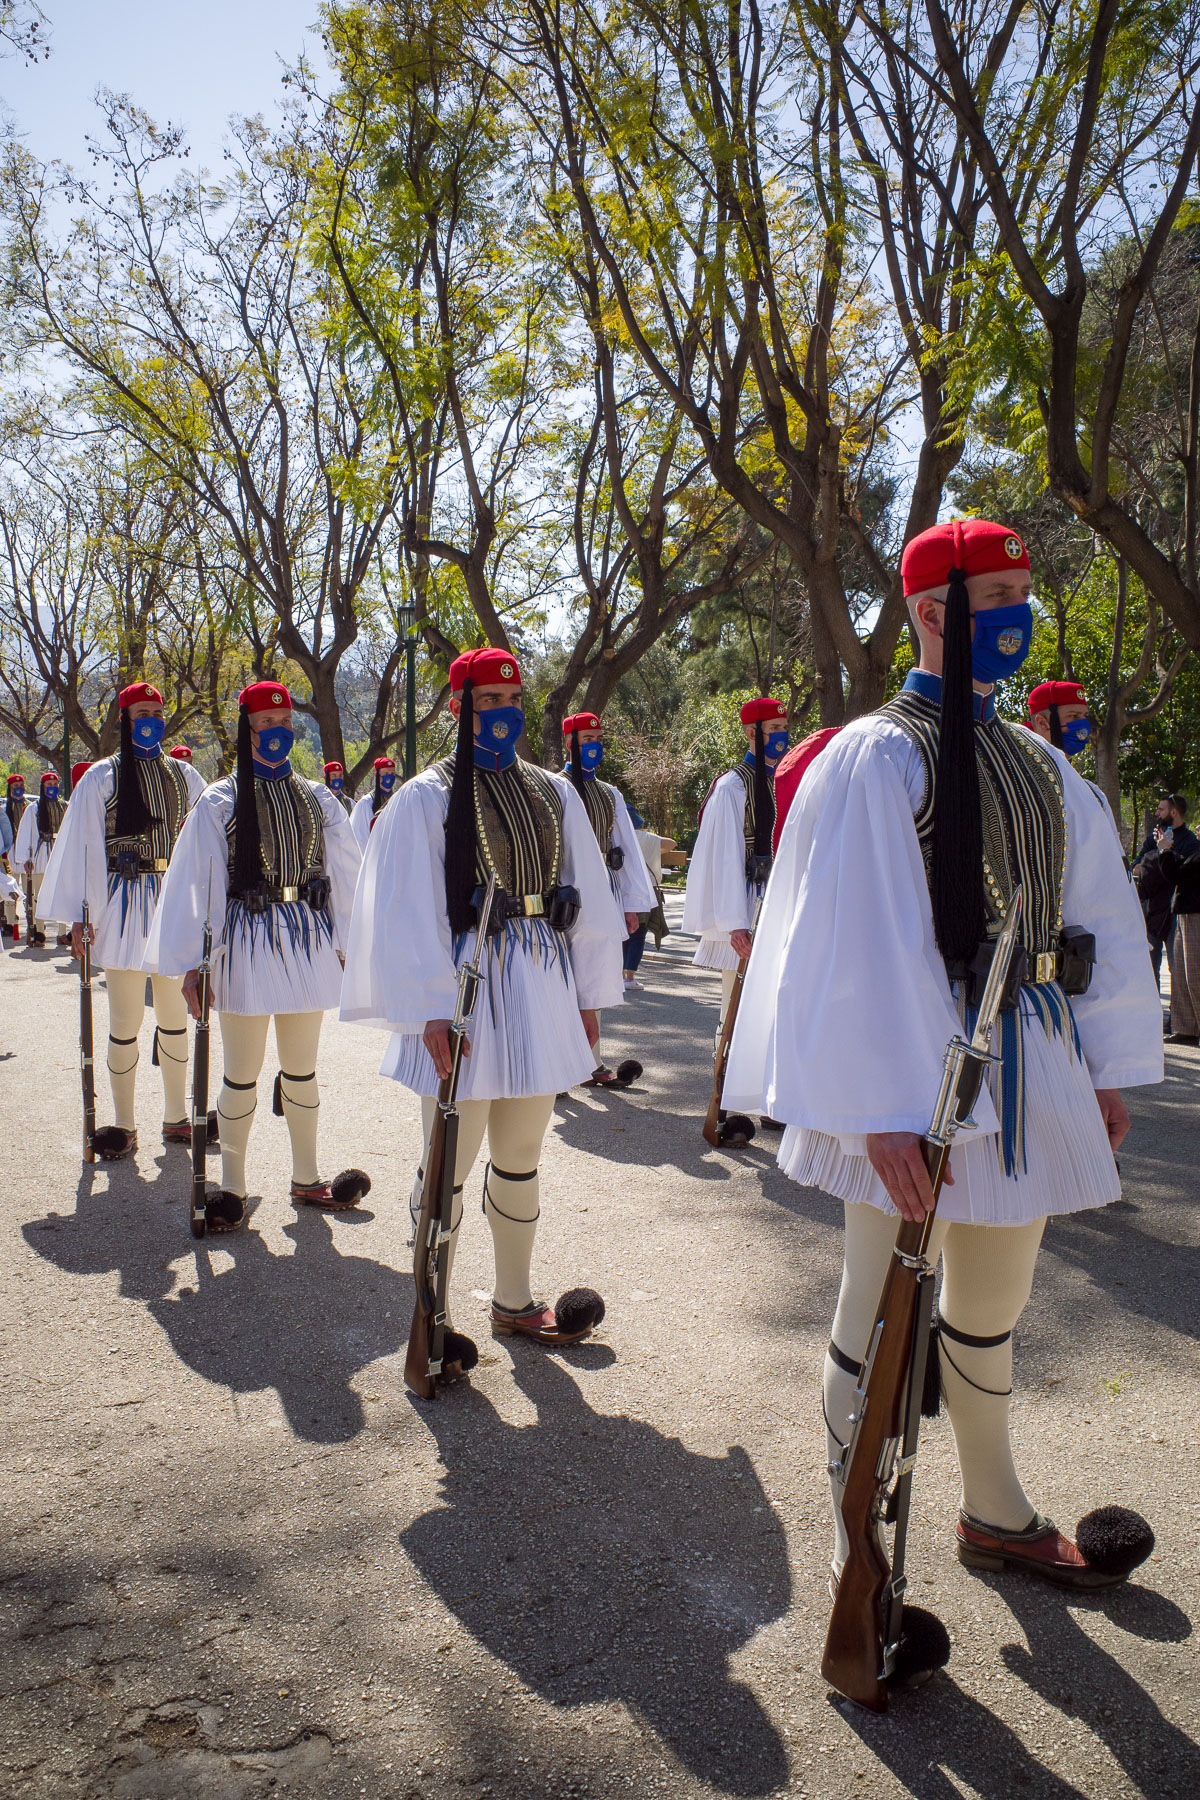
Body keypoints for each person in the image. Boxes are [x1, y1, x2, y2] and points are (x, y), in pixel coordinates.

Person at [727, 518, 1162, 1599]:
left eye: (1025, 589)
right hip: (913, 1078)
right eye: (999, 594)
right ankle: (853, 1550)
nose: (1019, 612)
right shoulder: (876, 757)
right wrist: (880, 1106)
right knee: (875, 1312)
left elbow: (1092, 918)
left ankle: (995, 1510)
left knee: (988, 1315)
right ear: (933, 614)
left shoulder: (1044, 770)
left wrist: (1102, 1069)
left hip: (1032, 1067)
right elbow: (854, 947)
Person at [340, 647, 624, 1350]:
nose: (503, 714)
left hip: (540, 982)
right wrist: (429, 1009)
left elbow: (586, 897)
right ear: (455, 709)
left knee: (523, 1152)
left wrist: (587, 997)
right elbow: (408, 914)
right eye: (488, 703)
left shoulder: (553, 793)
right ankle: (430, 1314)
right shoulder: (425, 799)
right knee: (449, 1162)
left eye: (512, 701)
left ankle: (514, 1301)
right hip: (464, 990)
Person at [145, 680, 369, 1232]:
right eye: (266, 725)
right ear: (247, 731)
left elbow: (347, 876)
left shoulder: (318, 799)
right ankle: (233, 1187)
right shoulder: (219, 801)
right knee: (242, 1074)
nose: (277, 734)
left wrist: (347, 944)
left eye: (284, 724)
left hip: (307, 940)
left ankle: (306, 1175)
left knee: (303, 1070)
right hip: (244, 941)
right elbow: (198, 884)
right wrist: (197, 964)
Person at [38, 688, 208, 1159]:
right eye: (142, 714)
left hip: (170, 900)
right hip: (122, 901)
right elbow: (84, 850)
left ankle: (176, 1117)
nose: (151, 720)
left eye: (157, 713)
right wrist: (79, 915)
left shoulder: (186, 776)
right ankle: (124, 1123)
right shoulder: (100, 778)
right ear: (125, 720)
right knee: (126, 1019)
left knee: (175, 1018)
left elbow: (205, 845)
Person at [682, 697, 789, 1030]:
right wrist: (734, 922)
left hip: (779, 900)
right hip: (748, 903)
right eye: (773, 729)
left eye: (784, 728)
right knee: (736, 1010)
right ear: (751, 733)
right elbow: (725, 858)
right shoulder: (733, 786)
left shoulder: (785, 780)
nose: (781, 735)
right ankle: (725, 1079)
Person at [562, 712, 654, 1082]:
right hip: (564, 894)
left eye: (598, 738)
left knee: (595, 979)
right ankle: (562, 1067)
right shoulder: (552, 786)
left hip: (603, 892)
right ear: (570, 742)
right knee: (561, 979)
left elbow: (625, 849)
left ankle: (590, 1061)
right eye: (587, 739)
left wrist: (630, 905)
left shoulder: (609, 793)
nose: (594, 745)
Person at [1131, 794, 1194, 1019]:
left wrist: (1161, 856)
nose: (1157, 813)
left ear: (1173, 812)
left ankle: (1178, 1017)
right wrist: (1155, 856)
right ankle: (1152, 1016)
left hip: (1176, 912)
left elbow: (1178, 874)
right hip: (1151, 909)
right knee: (1150, 965)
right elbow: (1137, 867)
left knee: (1178, 969)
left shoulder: (1190, 841)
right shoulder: (1153, 838)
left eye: (1161, 809)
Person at [1150, 795, 1200, 1047]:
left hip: (1195, 913)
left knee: (1195, 974)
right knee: (1180, 972)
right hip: (1182, 912)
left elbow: (1178, 874)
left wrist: (1166, 852)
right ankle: (1186, 1027)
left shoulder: (1193, 845)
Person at [14, 770, 67, 946]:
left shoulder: (65, 806)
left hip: (58, 851)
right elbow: (25, 833)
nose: (52, 788)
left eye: (55, 784)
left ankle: (62, 932)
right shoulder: (34, 808)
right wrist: (25, 859)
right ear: (43, 787)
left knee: (61, 894)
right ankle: (39, 932)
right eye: (49, 785)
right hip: (41, 854)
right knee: (38, 896)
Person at [622, 808, 672, 989]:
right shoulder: (649, 839)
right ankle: (630, 977)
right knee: (638, 934)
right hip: (646, 891)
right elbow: (671, 843)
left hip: (621, 891)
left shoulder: (616, 836)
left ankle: (619, 974)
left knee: (623, 933)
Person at [350, 756, 397, 851]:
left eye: (392, 773)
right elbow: (360, 839)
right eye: (386, 773)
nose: (390, 777)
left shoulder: (397, 800)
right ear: (377, 776)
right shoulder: (366, 804)